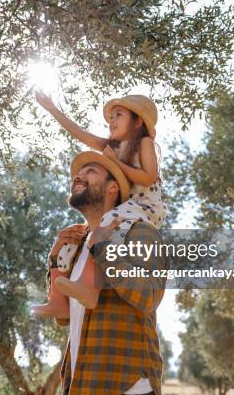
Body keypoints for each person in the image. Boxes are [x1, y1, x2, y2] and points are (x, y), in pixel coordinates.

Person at [33, 92, 167, 317]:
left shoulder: (144, 142)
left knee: (103, 230)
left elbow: (147, 177)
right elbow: (80, 134)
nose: (111, 121)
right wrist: (53, 110)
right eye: (110, 117)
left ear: (138, 121)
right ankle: (59, 302)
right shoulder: (111, 146)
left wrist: (115, 163)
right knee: (73, 243)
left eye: (118, 115)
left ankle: (89, 290)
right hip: (126, 207)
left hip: (146, 207)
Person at [53, 151, 168, 395]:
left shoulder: (140, 233)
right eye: (77, 173)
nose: (78, 176)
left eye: (90, 171)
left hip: (128, 386)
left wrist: (102, 249)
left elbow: (148, 296)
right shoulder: (78, 246)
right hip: (82, 384)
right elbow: (62, 318)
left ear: (112, 187)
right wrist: (55, 261)